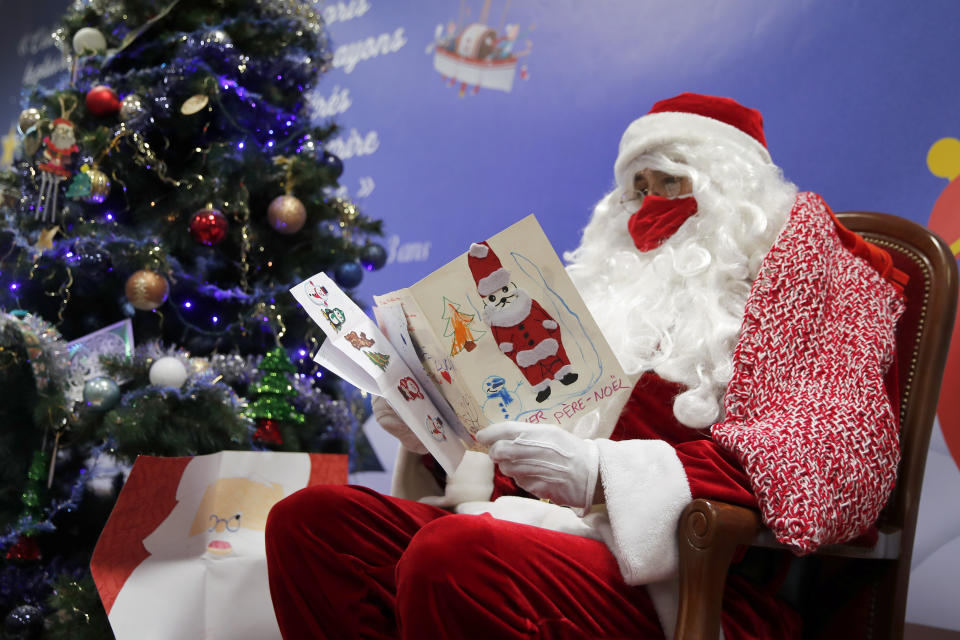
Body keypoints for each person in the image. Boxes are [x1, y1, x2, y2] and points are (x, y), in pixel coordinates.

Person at [265, 93, 905, 639]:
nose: (650, 209)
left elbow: (831, 458)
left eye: (671, 182)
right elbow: (522, 457)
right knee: (314, 525)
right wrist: (434, 430)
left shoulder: (807, 288)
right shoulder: (597, 304)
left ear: (732, 192)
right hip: (529, 528)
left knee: (453, 555)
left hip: (681, 580)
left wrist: (605, 474)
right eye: (638, 189)